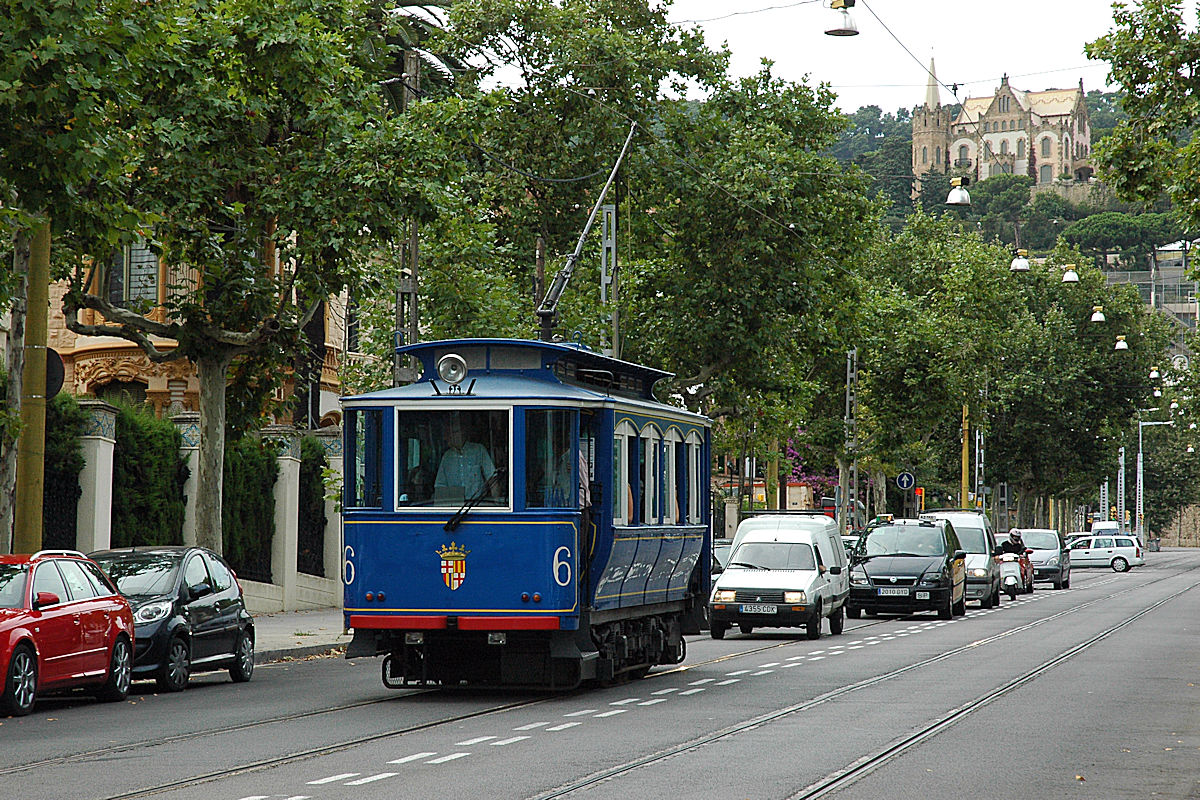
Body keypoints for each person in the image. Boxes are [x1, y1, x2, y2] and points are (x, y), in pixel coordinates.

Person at [435, 416, 498, 499]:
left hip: (478, 505)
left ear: (463, 432)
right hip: (453, 507)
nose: (451, 436)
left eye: (454, 432)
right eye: (450, 433)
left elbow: (492, 479)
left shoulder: (479, 450)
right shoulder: (447, 457)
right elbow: (440, 487)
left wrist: (497, 504)